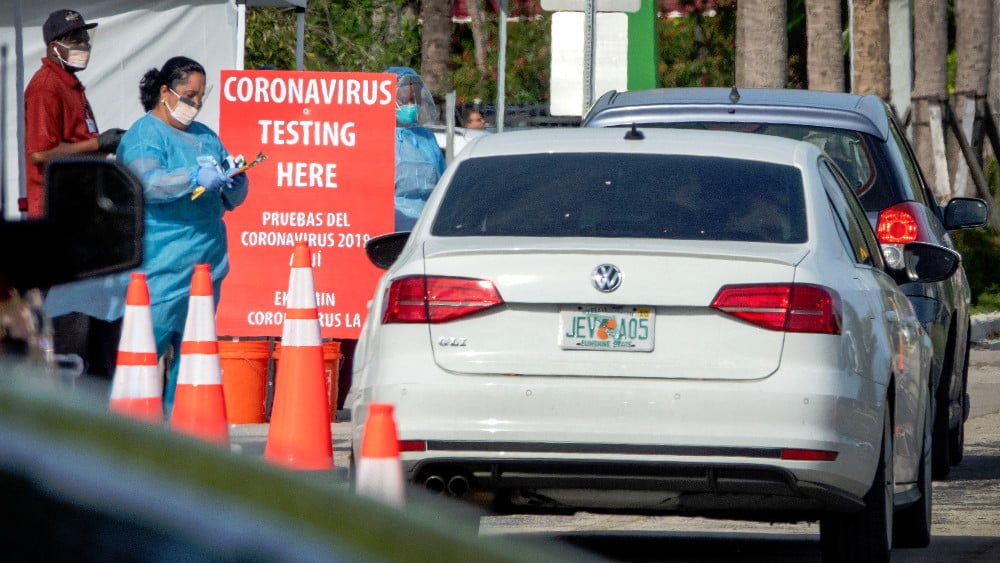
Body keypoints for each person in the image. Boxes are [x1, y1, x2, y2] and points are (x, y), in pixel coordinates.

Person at [115, 56, 249, 415]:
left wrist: (236, 181)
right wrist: (193, 177)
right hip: (161, 265)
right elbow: (147, 183)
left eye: (201, 96)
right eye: (189, 94)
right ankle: (125, 442)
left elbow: (230, 197)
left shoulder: (206, 136)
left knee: (193, 361)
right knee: (144, 355)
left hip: (207, 266)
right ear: (165, 92)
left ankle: (182, 436)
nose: (196, 103)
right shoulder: (144, 135)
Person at [27, 9, 126, 379]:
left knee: (97, 328)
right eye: (75, 40)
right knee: (73, 329)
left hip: (82, 222)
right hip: (58, 222)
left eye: (85, 38)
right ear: (54, 47)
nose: (83, 46)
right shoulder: (45, 87)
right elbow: (40, 153)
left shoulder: (70, 87)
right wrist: (96, 143)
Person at [387, 66, 446, 232]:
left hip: (426, 226)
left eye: (415, 100)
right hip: (390, 229)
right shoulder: (377, 137)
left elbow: (442, 183)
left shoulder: (426, 138)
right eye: (405, 101)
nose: (412, 106)